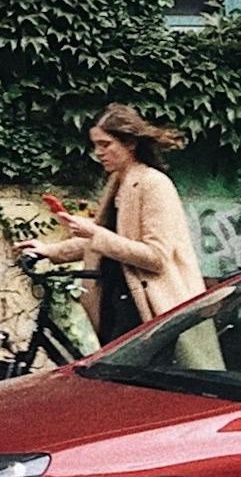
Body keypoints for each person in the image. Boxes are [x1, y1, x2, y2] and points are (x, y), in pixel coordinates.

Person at [18, 103, 207, 344]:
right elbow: (104, 242)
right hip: (116, 298)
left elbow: (156, 257)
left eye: (105, 144)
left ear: (130, 143)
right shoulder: (118, 181)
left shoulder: (153, 183)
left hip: (148, 307)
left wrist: (94, 232)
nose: (98, 152)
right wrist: (48, 251)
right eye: (95, 145)